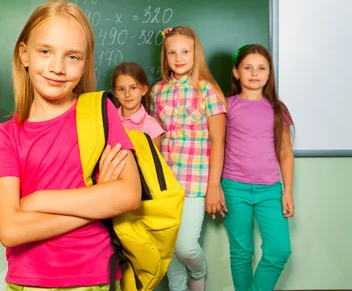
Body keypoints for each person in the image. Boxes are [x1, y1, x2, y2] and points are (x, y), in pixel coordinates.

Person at [0, 0, 141, 290]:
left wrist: (37, 201)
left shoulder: (100, 112)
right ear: (24, 54)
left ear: (85, 63)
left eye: (72, 57)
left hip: (95, 276)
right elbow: (9, 230)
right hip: (29, 281)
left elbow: (128, 194)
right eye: (45, 51)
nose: (57, 67)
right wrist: (97, 201)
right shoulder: (8, 135)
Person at [151, 26, 227, 291]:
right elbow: (154, 137)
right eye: (172, 52)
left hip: (195, 182)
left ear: (196, 53)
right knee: (169, 247)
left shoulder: (208, 91)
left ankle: (199, 272)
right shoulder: (157, 91)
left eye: (185, 51)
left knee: (185, 245)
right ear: (166, 56)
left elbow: (218, 141)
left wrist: (213, 187)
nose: (179, 57)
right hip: (165, 184)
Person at [222, 44, 294, 291]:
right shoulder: (226, 106)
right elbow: (216, 147)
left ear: (269, 73)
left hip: (270, 190)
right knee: (241, 252)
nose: (254, 73)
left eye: (261, 68)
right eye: (248, 68)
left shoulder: (277, 109)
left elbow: (285, 153)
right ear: (236, 72)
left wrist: (287, 192)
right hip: (233, 188)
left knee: (279, 250)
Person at [111, 62, 165, 150]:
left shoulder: (152, 127)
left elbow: (153, 162)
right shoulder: (109, 119)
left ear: (144, 89)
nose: (127, 94)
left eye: (133, 88)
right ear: (115, 93)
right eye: (121, 89)